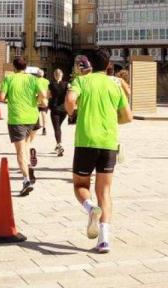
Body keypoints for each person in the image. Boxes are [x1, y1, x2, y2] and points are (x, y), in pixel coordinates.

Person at [65, 48, 133, 253]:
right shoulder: (115, 84)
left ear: (90, 64)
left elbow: (69, 102)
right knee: (105, 191)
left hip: (86, 140)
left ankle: (89, 208)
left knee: (80, 185)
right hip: (109, 142)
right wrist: (112, 122)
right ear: (108, 64)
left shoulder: (82, 81)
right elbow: (128, 117)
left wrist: (74, 113)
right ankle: (104, 240)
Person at [0, 56, 48, 197]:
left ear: (14, 67)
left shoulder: (9, 79)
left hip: (17, 118)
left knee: (20, 151)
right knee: (26, 145)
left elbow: (1, 98)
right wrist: (36, 101)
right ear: (25, 67)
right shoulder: (33, 79)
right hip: (33, 117)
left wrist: (9, 100)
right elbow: (43, 95)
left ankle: (26, 180)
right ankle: (29, 164)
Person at [47, 68, 69, 156]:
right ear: (62, 75)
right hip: (64, 109)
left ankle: (59, 145)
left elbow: (48, 95)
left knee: (56, 128)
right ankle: (57, 144)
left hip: (55, 109)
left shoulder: (51, 85)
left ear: (54, 75)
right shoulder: (67, 84)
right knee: (58, 127)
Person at [33, 67, 50, 137]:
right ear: (43, 75)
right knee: (44, 114)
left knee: (35, 114)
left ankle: (34, 127)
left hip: (36, 99)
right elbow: (48, 91)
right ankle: (44, 129)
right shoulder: (47, 81)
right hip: (44, 99)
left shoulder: (34, 80)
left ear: (37, 74)